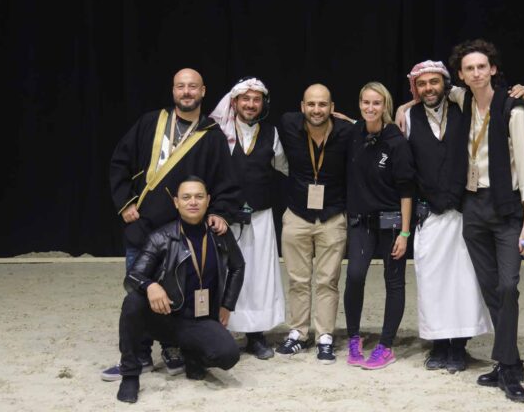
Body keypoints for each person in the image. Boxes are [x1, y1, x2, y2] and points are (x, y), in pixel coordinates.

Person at [106, 68, 240, 380]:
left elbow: (226, 183)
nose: (186, 92)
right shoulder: (150, 122)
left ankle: (172, 347)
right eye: (181, 86)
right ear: (173, 90)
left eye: (192, 86)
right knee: (139, 294)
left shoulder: (212, 136)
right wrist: (125, 203)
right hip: (143, 228)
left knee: (180, 292)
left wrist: (219, 212)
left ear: (203, 91)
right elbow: (119, 162)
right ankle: (139, 355)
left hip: (185, 235)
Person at [450, 39, 524, 403]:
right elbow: (428, 90)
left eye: (482, 67)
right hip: (473, 206)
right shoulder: (462, 100)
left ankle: (508, 367)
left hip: (506, 208)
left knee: (507, 286)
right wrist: (406, 104)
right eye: (469, 68)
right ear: (461, 75)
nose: (476, 73)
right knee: (490, 288)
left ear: (493, 70)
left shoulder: (512, 109)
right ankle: (509, 364)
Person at [115, 176, 245, 403]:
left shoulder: (220, 235)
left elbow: (238, 266)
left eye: (199, 196)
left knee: (228, 355)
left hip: (199, 319)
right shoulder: (161, 237)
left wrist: (227, 305)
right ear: (176, 202)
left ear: (208, 200)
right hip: (166, 317)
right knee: (133, 302)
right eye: (186, 197)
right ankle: (130, 374)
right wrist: (150, 285)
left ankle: (192, 353)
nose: (193, 202)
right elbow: (133, 276)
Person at [401, 60, 493, 373]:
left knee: (464, 282)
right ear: (415, 88)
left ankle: (459, 347)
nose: (429, 88)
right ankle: (439, 344)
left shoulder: (464, 109)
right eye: (422, 84)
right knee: (432, 281)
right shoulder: (408, 117)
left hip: (464, 211)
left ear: (445, 84)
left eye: (434, 82)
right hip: (429, 214)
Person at [209, 77, 288, 360]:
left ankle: (256, 335)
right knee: (222, 273)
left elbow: (285, 167)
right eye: (246, 99)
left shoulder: (271, 133)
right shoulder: (218, 132)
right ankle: (221, 331)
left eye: (256, 100)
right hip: (224, 219)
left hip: (260, 216)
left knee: (258, 277)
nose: (251, 104)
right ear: (235, 102)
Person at [275, 84, 353, 364]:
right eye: (311, 104)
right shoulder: (289, 124)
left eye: (322, 104)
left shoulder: (346, 132)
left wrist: (351, 120)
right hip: (297, 215)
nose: (316, 110)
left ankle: (325, 337)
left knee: (327, 280)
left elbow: (376, 127)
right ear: (302, 107)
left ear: (332, 108)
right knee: (297, 279)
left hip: (332, 216)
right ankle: (298, 332)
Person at [342, 82, 415, 370]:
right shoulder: (354, 134)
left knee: (393, 281)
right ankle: (353, 337)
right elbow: (342, 122)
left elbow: (407, 191)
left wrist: (405, 233)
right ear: (359, 104)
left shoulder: (396, 142)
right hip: (362, 222)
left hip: (392, 223)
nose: (370, 108)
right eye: (365, 102)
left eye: (376, 103)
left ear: (385, 106)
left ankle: (386, 345)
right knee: (355, 276)